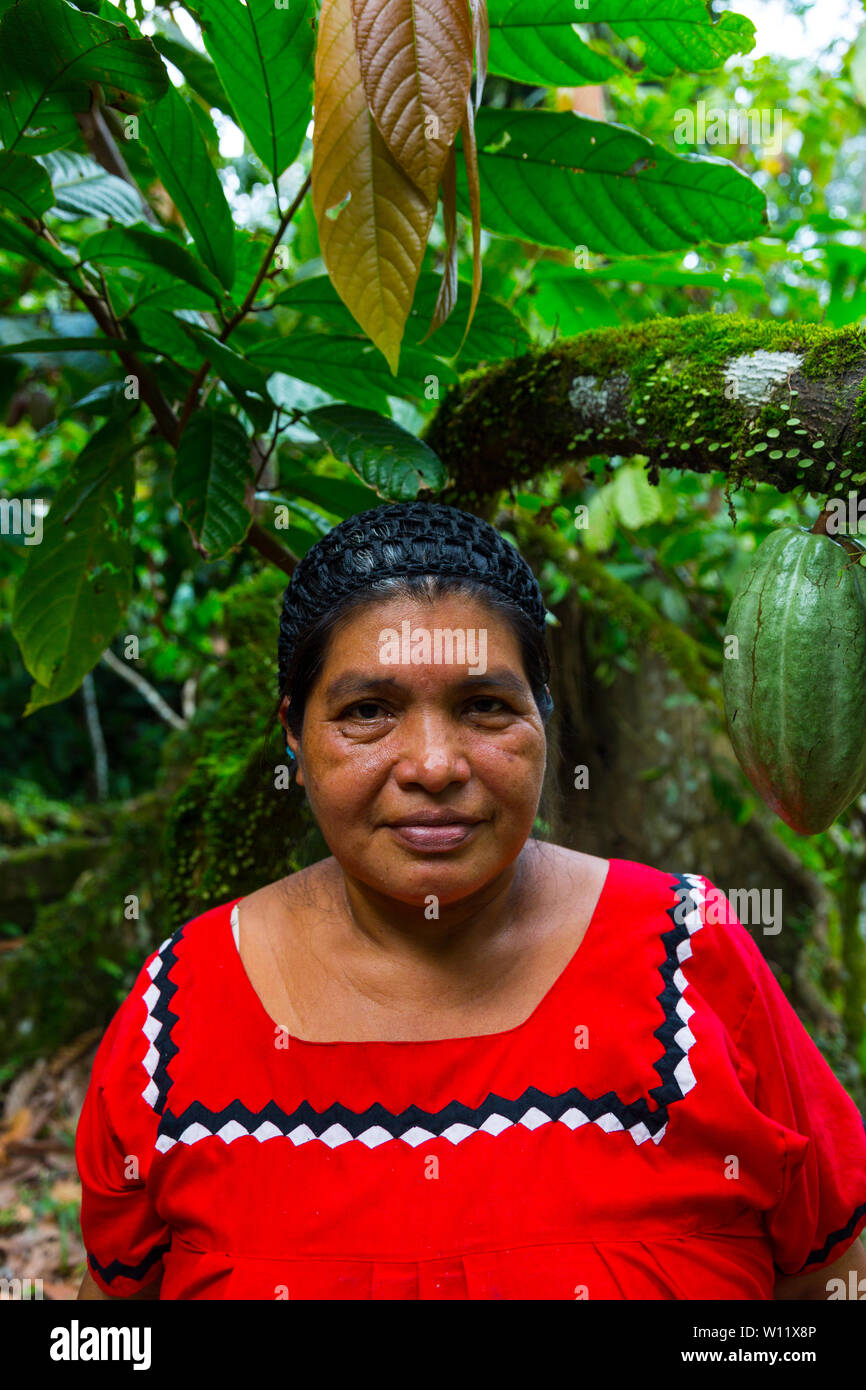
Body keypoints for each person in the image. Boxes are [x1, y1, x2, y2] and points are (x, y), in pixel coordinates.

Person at [76, 501, 866, 1300]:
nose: (433, 764)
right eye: (368, 712)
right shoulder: (180, 1007)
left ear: (543, 718)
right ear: (294, 735)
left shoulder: (688, 950)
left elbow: (834, 1277)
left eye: (484, 705)